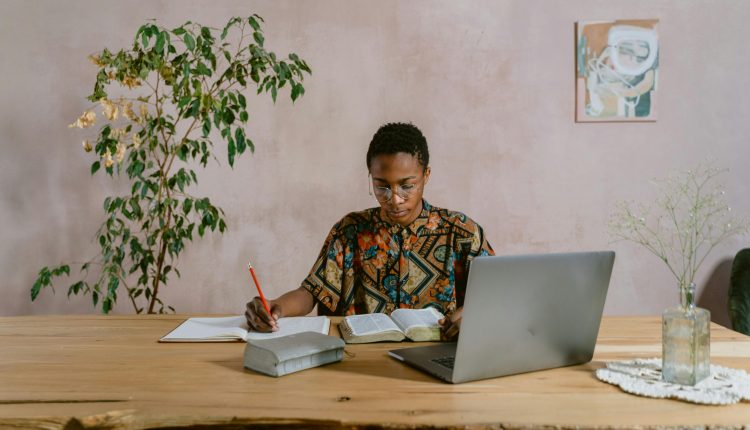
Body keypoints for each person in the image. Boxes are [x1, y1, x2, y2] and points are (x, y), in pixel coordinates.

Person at [245, 123, 493, 340]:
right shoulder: (350, 231)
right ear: (371, 177)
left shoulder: (461, 233)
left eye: (407, 186)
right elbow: (313, 291)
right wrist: (276, 306)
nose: (394, 199)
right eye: (382, 186)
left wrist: (471, 313)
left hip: (438, 355)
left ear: (426, 175)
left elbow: (498, 295)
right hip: (361, 361)